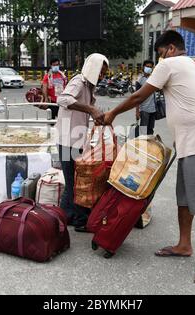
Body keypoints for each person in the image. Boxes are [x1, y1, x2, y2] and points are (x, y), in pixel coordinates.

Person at [103, 31, 195, 285]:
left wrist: (112, 112)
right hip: (189, 146)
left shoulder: (170, 64)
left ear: (170, 49)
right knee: (184, 200)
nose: (157, 61)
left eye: (158, 54)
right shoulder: (193, 67)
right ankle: (184, 244)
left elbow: (139, 96)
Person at [56, 53, 108, 232]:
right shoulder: (79, 81)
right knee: (74, 183)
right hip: (67, 141)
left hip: (76, 140)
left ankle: (66, 217)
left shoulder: (89, 87)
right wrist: (90, 108)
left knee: (74, 181)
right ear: (92, 67)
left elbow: (83, 114)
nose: (102, 75)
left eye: (105, 72)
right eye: (101, 70)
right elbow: (63, 99)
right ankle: (77, 220)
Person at [135, 60, 157, 135]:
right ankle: (142, 146)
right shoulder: (140, 80)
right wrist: (137, 111)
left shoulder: (154, 78)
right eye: (147, 66)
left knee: (150, 130)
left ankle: (149, 145)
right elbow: (136, 97)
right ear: (143, 67)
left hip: (153, 109)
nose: (149, 68)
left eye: (151, 67)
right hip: (144, 109)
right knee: (143, 130)